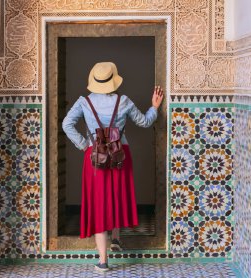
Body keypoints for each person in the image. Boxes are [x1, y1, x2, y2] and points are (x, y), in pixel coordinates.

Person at [62, 61, 164, 272]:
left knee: (100, 202)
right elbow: (145, 122)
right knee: (116, 196)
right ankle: (116, 240)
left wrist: (84, 146)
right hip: (120, 154)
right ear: (113, 81)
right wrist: (154, 107)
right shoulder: (123, 101)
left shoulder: (84, 102)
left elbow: (66, 124)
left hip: (94, 158)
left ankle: (103, 261)